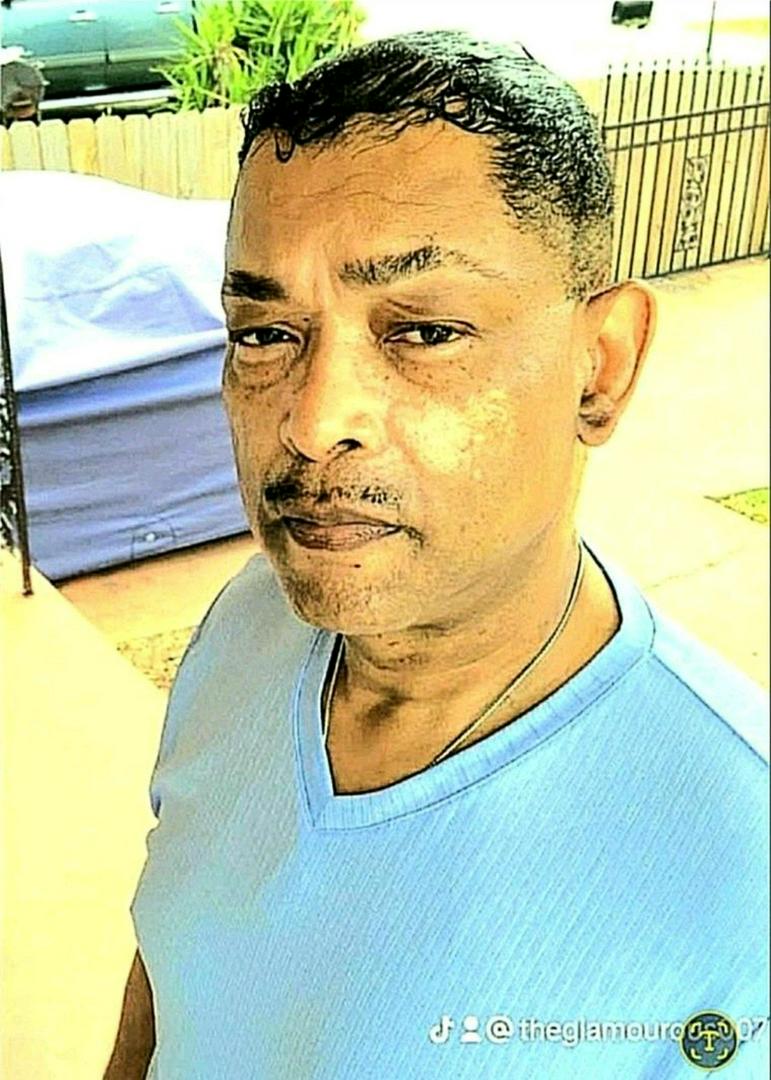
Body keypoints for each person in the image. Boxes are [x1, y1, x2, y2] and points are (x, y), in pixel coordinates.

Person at [105, 30, 769, 1079]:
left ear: (600, 367)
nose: (313, 422)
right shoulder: (246, 623)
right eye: (265, 333)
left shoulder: (741, 872)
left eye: (422, 331)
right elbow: (174, 958)